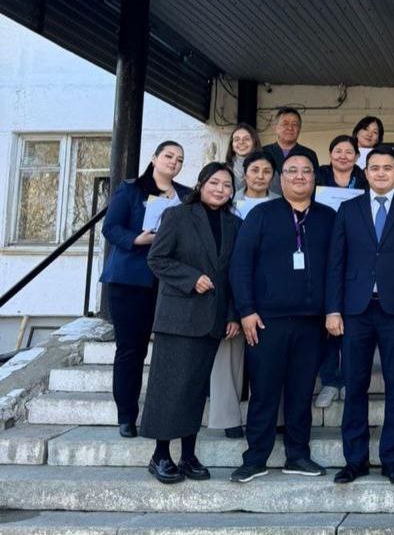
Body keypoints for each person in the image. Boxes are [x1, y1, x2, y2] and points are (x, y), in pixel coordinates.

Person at [326, 145, 394, 485]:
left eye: (387, 168)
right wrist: (333, 309)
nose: (381, 173)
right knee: (354, 386)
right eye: (375, 168)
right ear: (366, 172)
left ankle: (391, 460)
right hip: (356, 310)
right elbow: (336, 263)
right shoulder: (348, 208)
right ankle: (354, 460)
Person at [229, 154, 335, 483]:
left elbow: (338, 268)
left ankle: (297, 455)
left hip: (312, 322)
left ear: (314, 178)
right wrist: (246, 310)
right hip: (266, 321)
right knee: (264, 391)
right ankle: (255, 458)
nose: (300, 176)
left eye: (306, 171)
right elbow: (240, 265)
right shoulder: (261, 215)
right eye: (292, 171)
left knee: (301, 392)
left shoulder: (329, 218)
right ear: (282, 178)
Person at [140, 163, 241, 484]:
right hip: (178, 317)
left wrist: (232, 315)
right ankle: (160, 455)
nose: (220, 189)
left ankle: (188, 455)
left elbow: (233, 276)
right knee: (169, 387)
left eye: (227, 185)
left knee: (195, 390)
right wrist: (191, 278)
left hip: (212, 320)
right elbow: (157, 258)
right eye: (214, 183)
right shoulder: (177, 216)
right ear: (201, 184)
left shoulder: (234, 224)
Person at [100, 141, 190, 439]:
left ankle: (165, 415)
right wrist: (137, 239)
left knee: (170, 352)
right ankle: (126, 415)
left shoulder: (186, 195)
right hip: (130, 280)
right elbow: (111, 228)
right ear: (154, 158)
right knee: (131, 349)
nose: (174, 162)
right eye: (168, 156)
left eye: (179, 159)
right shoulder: (131, 190)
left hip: (170, 283)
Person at [207, 151, 281, 440]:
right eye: (254, 170)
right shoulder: (228, 202)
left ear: (273, 176)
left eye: (266, 171)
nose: (260, 176)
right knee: (228, 351)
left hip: (270, 287)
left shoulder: (282, 204)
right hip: (232, 284)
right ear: (244, 173)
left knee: (274, 356)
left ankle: (276, 417)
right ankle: (228, 417)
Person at [313, 135, 368, 409]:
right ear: (330, 153)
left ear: (357, 156)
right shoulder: (318, 177)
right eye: (338, 151)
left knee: (352, 324)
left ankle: (348, 380)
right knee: (329, 321)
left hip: (357, 255)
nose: (343, 156)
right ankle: (330, 381)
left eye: (349, 152)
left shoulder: (365, 180)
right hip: (324, 251)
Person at [263, 107, 320, 193]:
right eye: (285, 124)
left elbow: (315, 183)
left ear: (299, 129)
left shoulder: (309, 154)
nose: (290, 128)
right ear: (275, 127)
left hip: (300, 198)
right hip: (270, 199)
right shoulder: (263, 152)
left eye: (295, 124)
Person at [226, 123, 264, 195]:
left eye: (246, 139)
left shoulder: (267, 169)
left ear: (254, 143)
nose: (241, 142)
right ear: (232, 146)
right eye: (237, 139)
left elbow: (275, 199)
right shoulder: (224, 169)